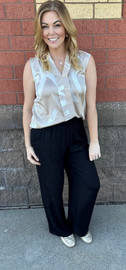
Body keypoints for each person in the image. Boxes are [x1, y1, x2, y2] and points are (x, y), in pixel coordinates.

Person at [23, 0, 101, 248]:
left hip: (75, 132)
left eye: (57, 25)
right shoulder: (33, 66)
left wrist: (94, 140)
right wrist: (28, 145)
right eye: (45, 26)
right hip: (44, 135)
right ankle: (61, 228)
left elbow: (90, 105)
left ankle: (79, 225)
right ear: (40, 31)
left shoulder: (85, 61)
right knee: (52, 188)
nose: (51, 32)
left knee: (90, 183)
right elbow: (27, 108)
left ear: (66, 27)